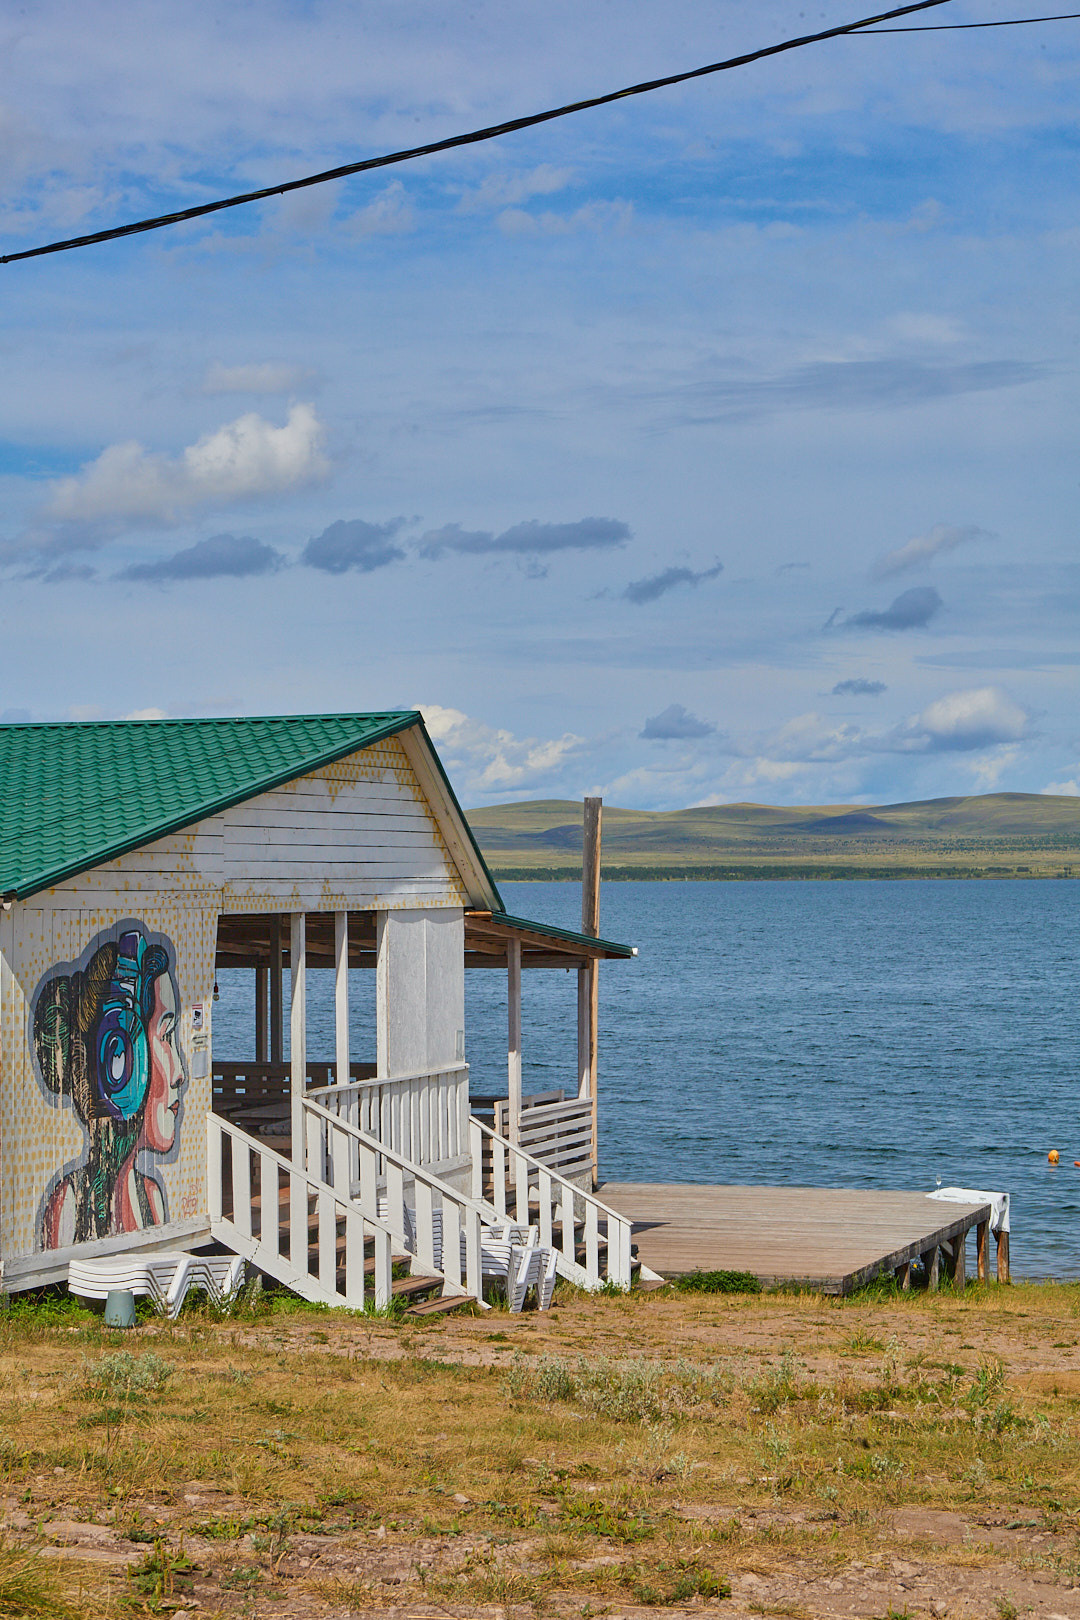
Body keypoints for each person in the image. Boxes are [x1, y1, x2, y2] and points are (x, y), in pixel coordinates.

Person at [33, 927, 187, 1248]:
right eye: (166, 1036)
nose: (180, 1073)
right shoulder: (69, 1207)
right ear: (123, 1064)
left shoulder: (150, 1197)